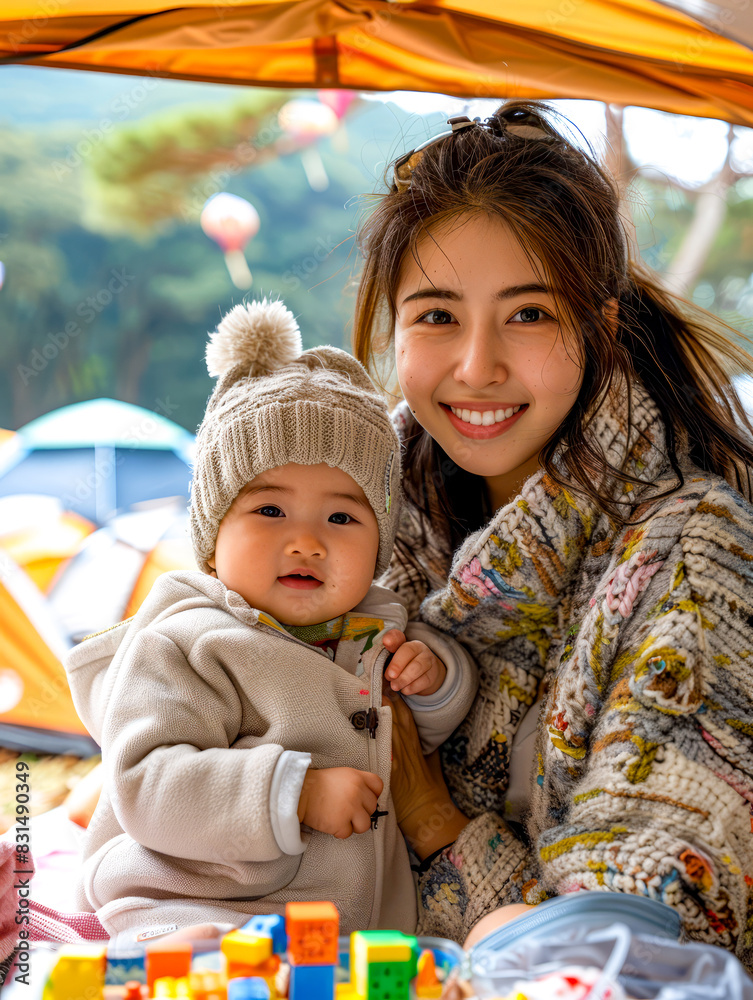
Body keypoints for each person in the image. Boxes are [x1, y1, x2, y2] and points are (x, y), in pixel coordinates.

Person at [352, 102, 753, 968]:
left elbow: (636, 949)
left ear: (598, 331)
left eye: (528, 314)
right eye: (435, 315)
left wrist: (427, 818)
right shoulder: (356, 521)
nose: (475, 366)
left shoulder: (692, 554)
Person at [63, 298, 478, 948]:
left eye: (341, 518)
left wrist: (436, 685)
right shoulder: (189, 641)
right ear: (212, 532)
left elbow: (411, 736)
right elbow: (147, 781)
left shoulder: (377, 628)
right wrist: (294, 794)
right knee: (194, 964)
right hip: (196, 904)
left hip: (346, 928)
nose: (307, 542)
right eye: (269, 512)